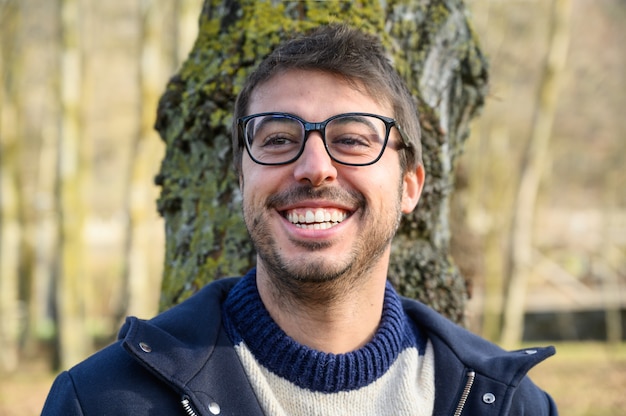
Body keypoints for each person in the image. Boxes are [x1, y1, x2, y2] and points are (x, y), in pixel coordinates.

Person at [41, 24, 557, 415]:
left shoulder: (511, 405)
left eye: (353, 139)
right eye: (279, 140)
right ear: (241, 181)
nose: (315, 168)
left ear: (409, 186)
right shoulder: (102, 400)